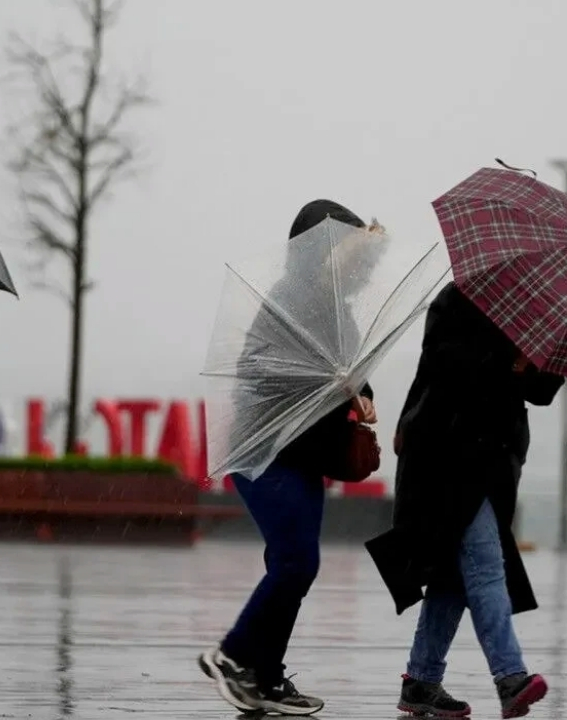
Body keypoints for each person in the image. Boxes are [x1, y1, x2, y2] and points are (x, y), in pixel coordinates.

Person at [198, 199, 378, 716]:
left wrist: (362, 394)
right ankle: (231, 656)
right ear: (315, 249)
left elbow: (352, 371)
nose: (350, 257)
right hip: (267, 450)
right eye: (341, 245)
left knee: (291, 564)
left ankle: (266, 679)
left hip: (307, 453)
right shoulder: (288, 300)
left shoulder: (339, 309)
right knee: (298, 562)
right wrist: (328, 378)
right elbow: (257, 366)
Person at [371, 281, 563, 718]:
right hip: (447, 454)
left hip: (495, 462)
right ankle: (510, 676)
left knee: (452, 577)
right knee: (485, 564)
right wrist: (509, 361)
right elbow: (447, 366)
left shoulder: (537, 310)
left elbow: (543, 392)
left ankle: (421, 680)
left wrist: (536, 365)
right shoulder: (456, 299)